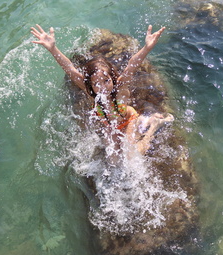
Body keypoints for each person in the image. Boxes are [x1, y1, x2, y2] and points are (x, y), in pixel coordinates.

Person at [31, 24, 172, 162]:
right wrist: (53, 49)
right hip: (109, 124)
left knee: (132, 157)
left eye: (106, 80)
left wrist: (147, 48)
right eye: (97, 84)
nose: (103, 87)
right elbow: (71, 70)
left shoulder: (120, 88)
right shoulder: (91, 92)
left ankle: (154, 124)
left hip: (128, 120)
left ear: (112, 77)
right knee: (114, 160)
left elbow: (132, 65)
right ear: (91, 85)